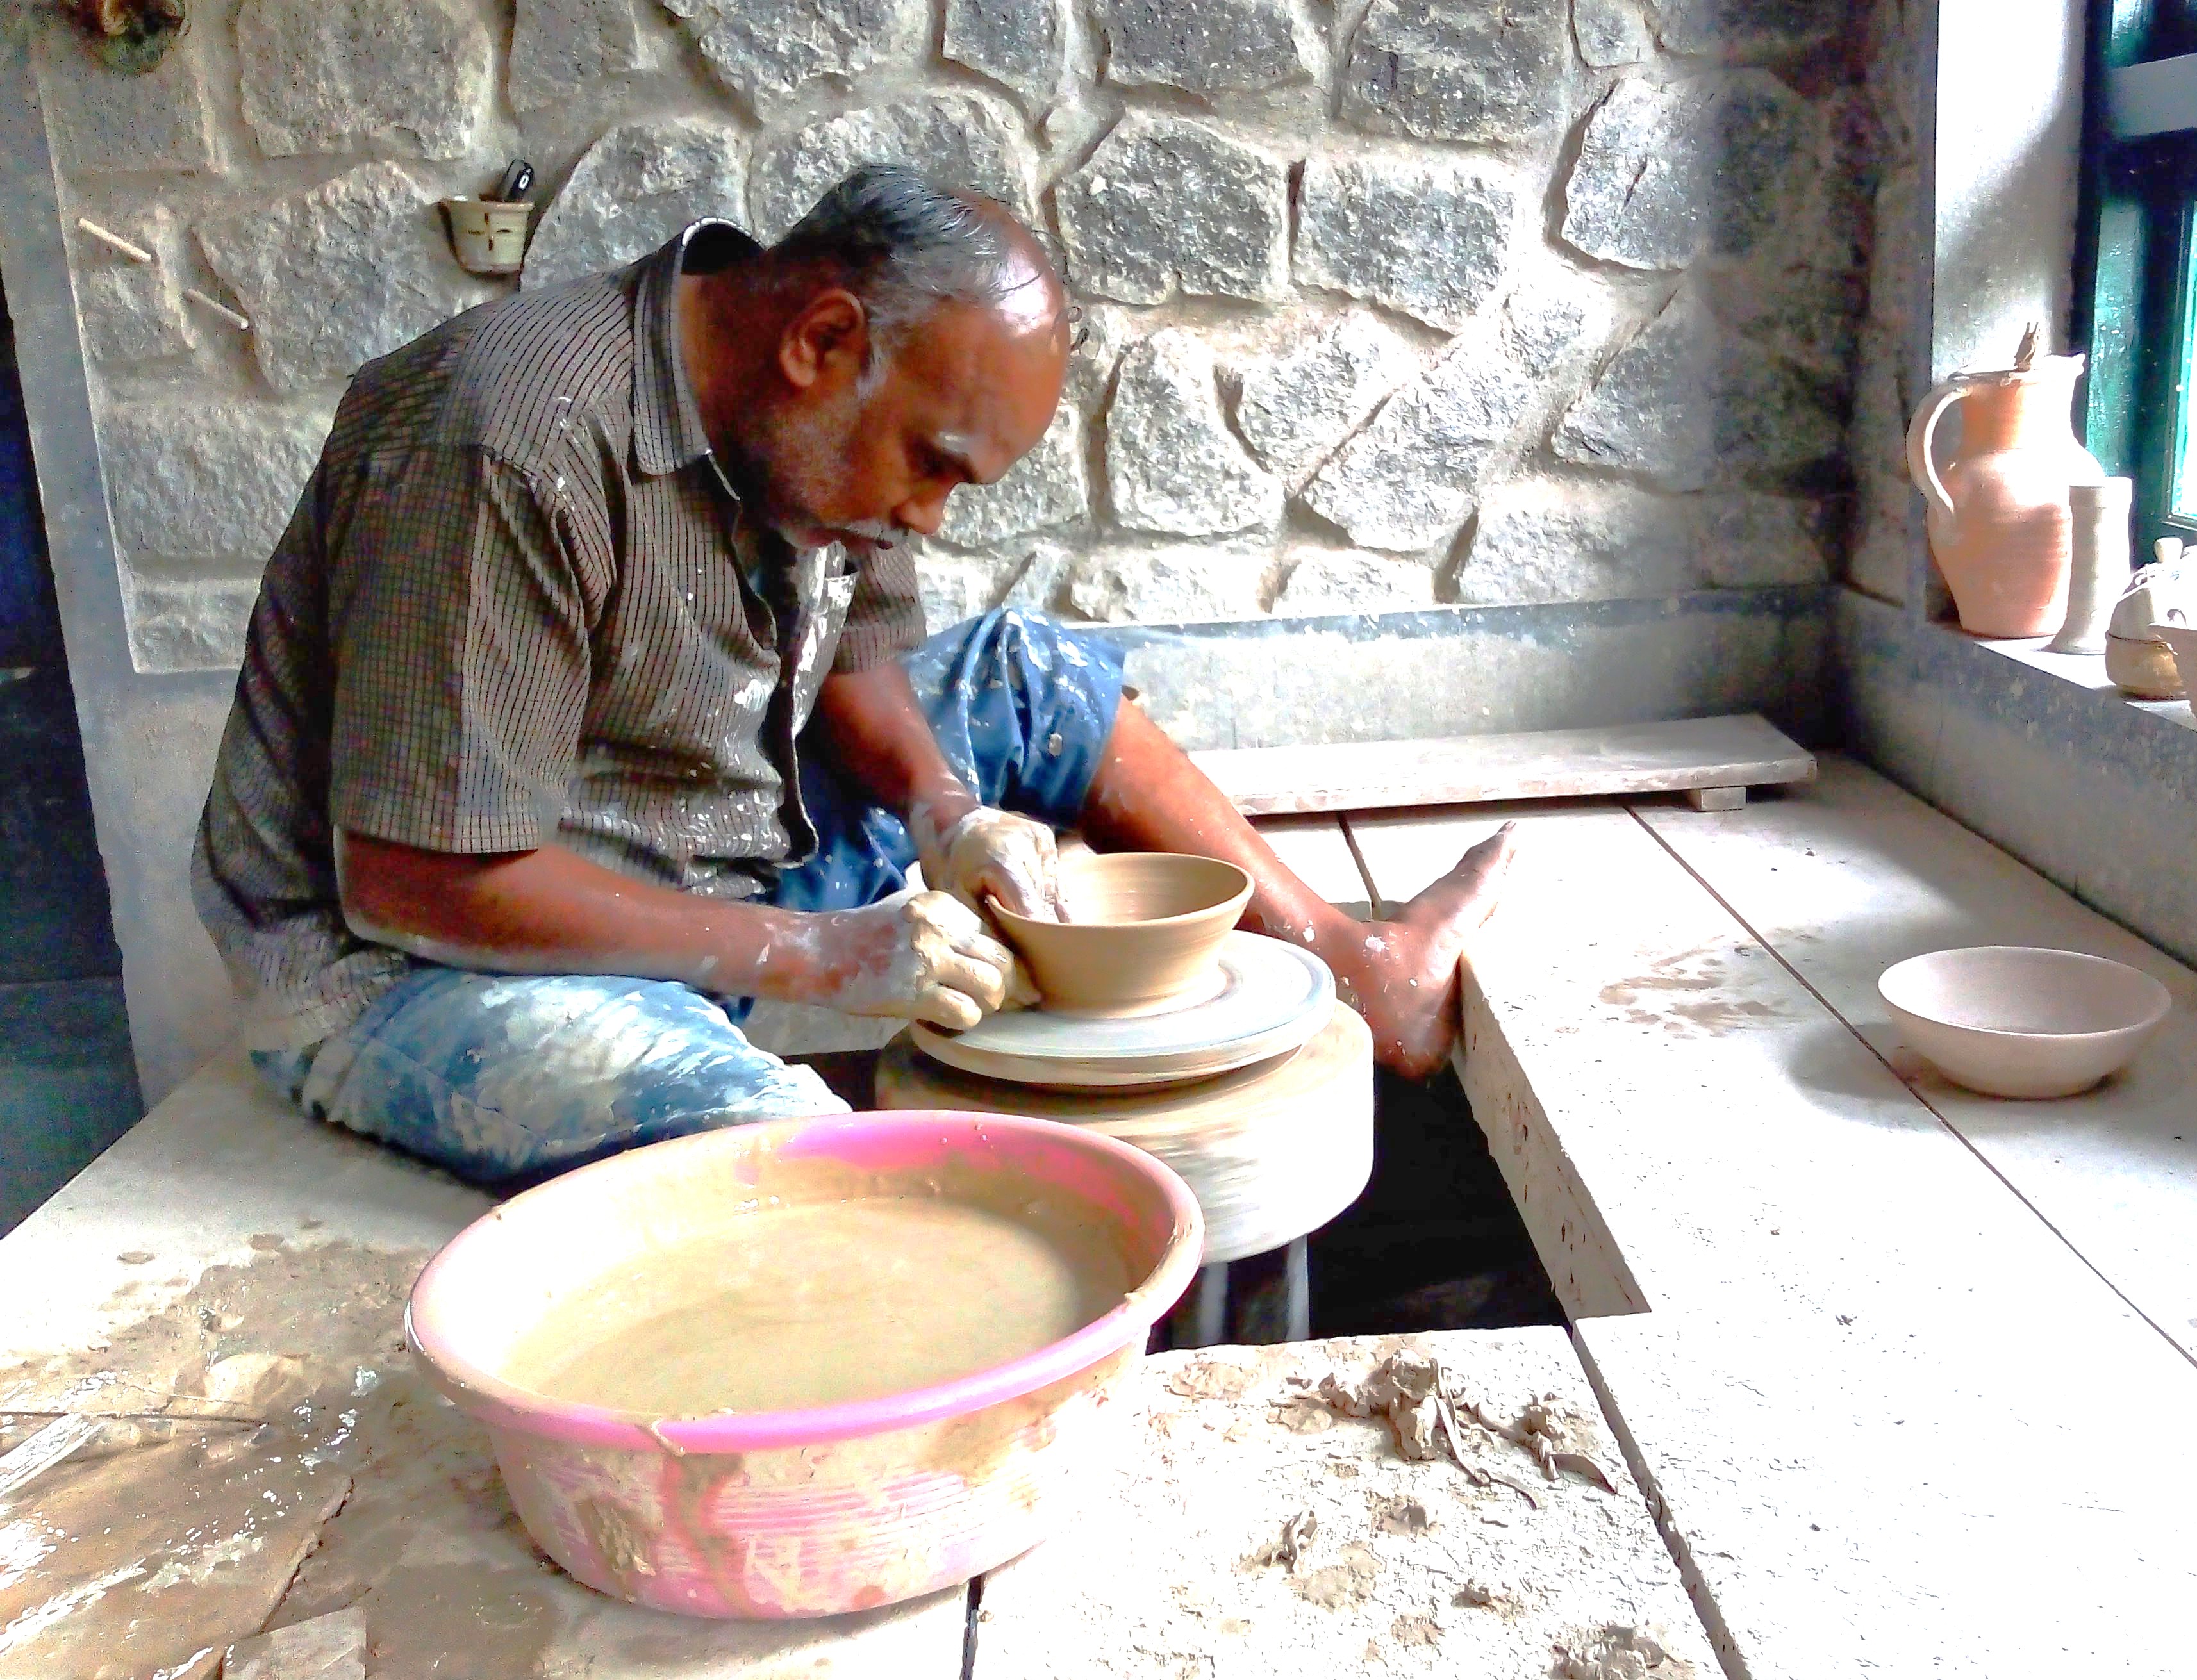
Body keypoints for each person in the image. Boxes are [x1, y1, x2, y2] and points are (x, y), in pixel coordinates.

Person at [192, 166, 1517, 1186]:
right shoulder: (506, 440)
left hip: (710, 847)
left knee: (1030, 676)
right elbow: (417, 878)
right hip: (416, 967)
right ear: (822, 341)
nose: (932, 515)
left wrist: (948, 814)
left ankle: (1358, 970)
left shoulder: (809, 437)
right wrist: (825, 953)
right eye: (931, 464)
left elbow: (861, 654)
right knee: (797, 1157)